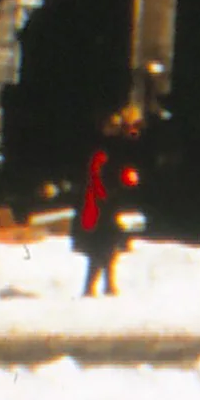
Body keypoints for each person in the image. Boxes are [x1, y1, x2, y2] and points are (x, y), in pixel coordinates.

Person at [74, 114, 140, 297]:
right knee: (102, 245)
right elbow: (95, 176)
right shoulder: (102, 150)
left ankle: (104, 285)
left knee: (106, 246)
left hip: (107, 203)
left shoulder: (115, 148)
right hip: (99, 205)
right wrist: (104, 195)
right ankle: (97, 286)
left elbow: (118, 171)